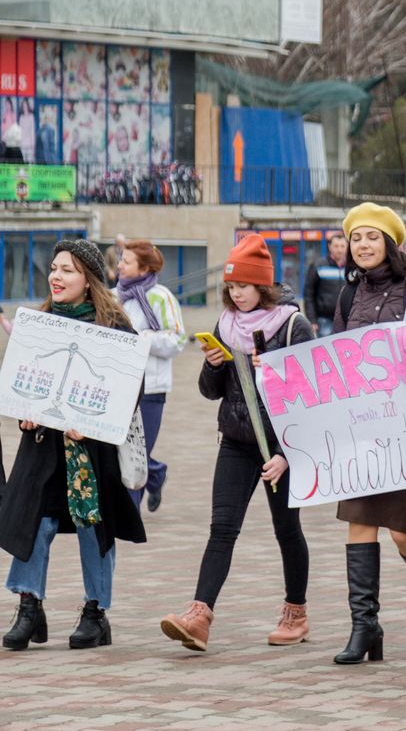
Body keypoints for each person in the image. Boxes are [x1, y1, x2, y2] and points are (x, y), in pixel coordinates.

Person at [158, 234, 314, 651]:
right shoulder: (226, 325)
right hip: (236, 441)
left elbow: (311, 397)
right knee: (222, 529)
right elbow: (212, 391)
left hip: (283, 447)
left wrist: (285, 455)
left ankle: (296, 613)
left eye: (243, 286)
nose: (235, 294)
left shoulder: (293, 325)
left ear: (261, 285)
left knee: (287, 530)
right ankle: (199, 615)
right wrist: (212, 367)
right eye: (230, 287)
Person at [1, 239, 146, 651]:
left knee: (92, 526)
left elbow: (129, 388)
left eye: (66, 270)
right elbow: (23, 382)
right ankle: (30, 607)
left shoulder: (114, 328)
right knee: (37, 521)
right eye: (53, 268)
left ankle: (95, 613)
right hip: (44, 447)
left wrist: (97, 424)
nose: (55, 277)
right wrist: (25, 412)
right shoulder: (40, 323)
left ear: (88, 279)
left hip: (91, 452)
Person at [330, 203, 406, 665]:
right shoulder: (347, 297)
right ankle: (365, 627)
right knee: (359, 522)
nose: (362, 245)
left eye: (372, 237)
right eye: (356, 237)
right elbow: (336, 359)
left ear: (391, 243)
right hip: (362, 428)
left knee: (405, 531)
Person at [114, 240, 187, 513]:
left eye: (126, 261)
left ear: (144, 267)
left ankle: (129, 515)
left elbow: (177, 340)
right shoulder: (114, 296)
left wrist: (138, 339)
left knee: (136, 454)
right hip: (118, 386)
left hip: (150, 389)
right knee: (121, 451)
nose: (119, 264)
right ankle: (155, 474)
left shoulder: (161, 297)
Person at [303, 232, 348, 336]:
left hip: (346, 319)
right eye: (336, 246)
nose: (340, 249)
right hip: (324, 320)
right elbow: (309, 294)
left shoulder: (352, 268)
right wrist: (312, 320)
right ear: (330, 247)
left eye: (342, 246)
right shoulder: (318, 265)